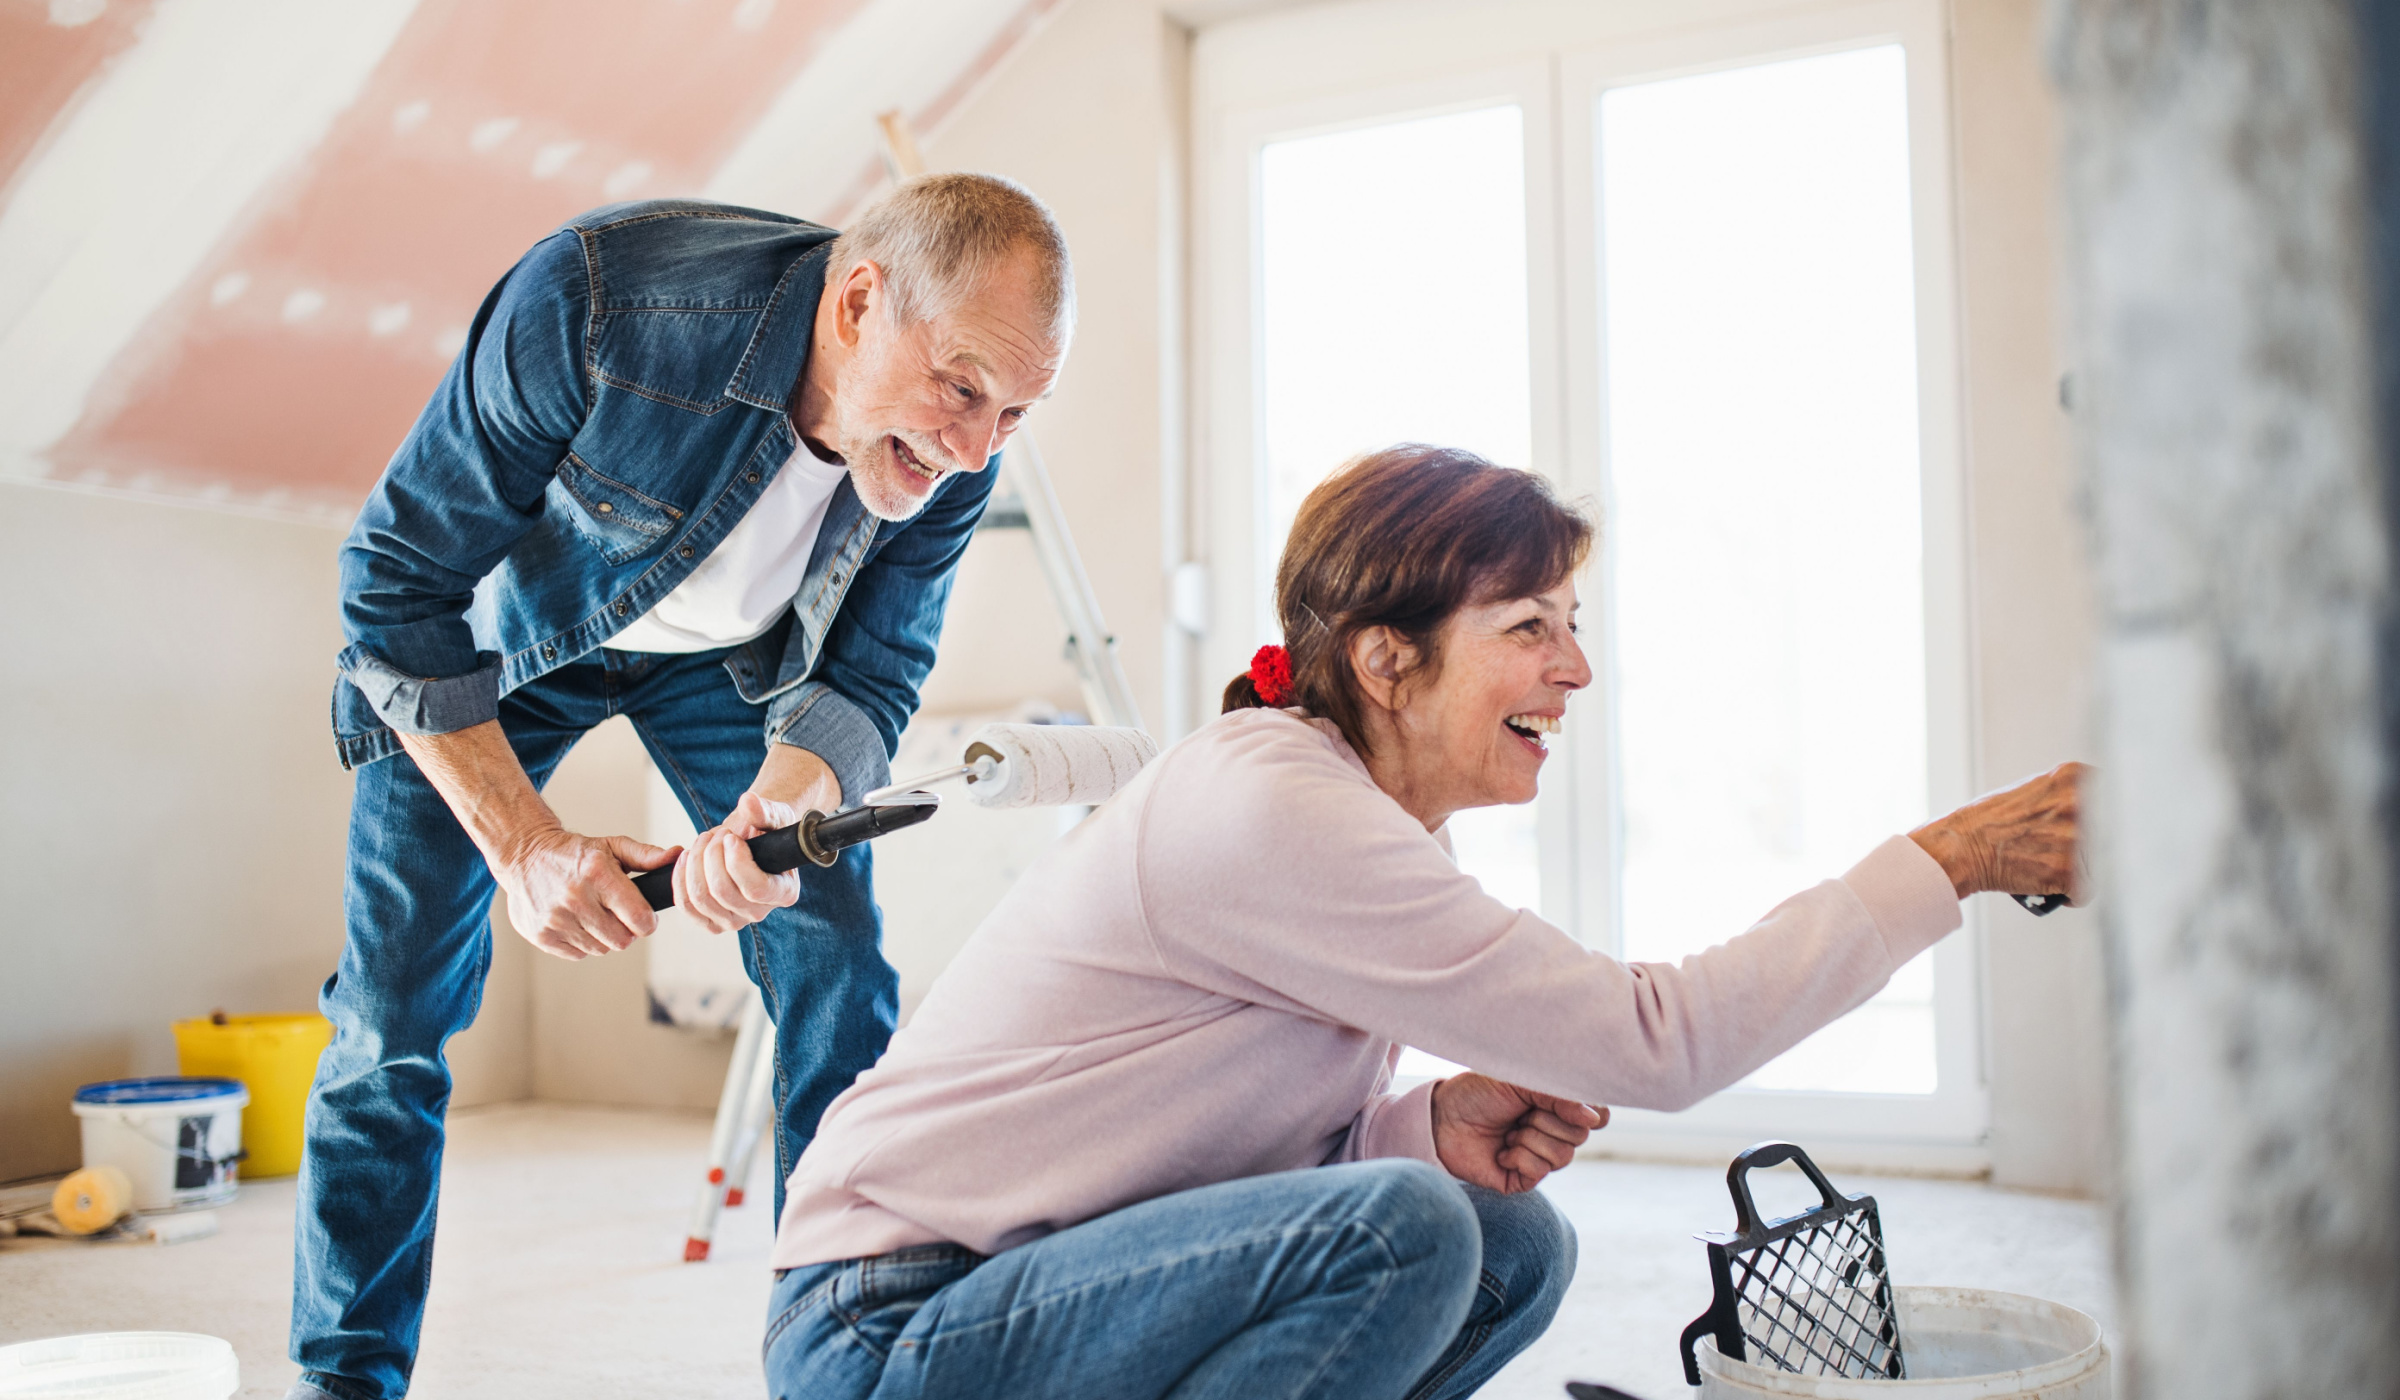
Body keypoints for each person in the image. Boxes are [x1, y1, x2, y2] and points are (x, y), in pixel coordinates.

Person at [759, 444, 2085, 1400]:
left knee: (1507, 1241)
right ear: (1385, 661)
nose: (1572, 669)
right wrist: (1950, 861)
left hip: (1024, 1295)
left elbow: (1190, 1149)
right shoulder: (1273, 806)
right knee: (1407, 1229)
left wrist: (1418, 1125)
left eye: (1572, 625)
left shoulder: (1354, 814)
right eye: (1527, 628)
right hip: (891, 1327)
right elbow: (1655, 1043)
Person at [294, 175, 1072, 1400]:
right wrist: (526, 843)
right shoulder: (603, 303)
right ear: (860, 301)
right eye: (963, 389)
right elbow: (393, 591)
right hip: (491, 646)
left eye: (1017, 413)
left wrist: (774, 808)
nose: (976, 450)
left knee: (837, 969)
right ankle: (341, 1381)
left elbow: (874, 668)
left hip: (726, 665)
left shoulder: (954, 451)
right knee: (391, 1020)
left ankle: (843, 1365)